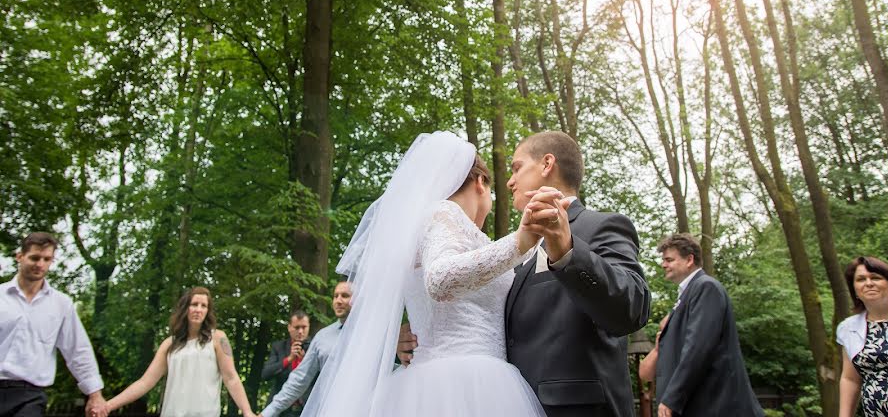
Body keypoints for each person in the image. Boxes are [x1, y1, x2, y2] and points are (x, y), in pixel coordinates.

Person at [400, 130, 650, 416]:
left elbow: (632, 308)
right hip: (494, 400)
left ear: (546, 164)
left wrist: (568, 251)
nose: (508, 181)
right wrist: (419, 337)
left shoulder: (601, 227)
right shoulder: (518, 246)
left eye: (517, 167)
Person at [298, 131, 546, 417]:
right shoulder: (444, 213)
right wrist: (520, 242)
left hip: (444, 376)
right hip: (464, 381)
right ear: (480, 183)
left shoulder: (428, 227)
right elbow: (440, 279)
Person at [654, 234, 763, 417]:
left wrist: (672, 397)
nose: (663, 265)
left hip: (717, 406)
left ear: (689, 259)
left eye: (669, 260)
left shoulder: (706, 288)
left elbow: (698, 347)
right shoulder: (689, 293)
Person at [0, 232, 107, 417]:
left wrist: (95, 395)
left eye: (46, 259)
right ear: (20, 256)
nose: (40, 264)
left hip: (30, 396)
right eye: (34, 258)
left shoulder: (61, 304)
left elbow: (77, 350)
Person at [103, 287, 254, 417]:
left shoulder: (218, 338)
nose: (199, 310)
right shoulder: (169, 344)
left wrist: (247, 412)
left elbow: (231, 377)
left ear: (208, 311)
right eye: (194, 304)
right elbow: (145, 382)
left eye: (204, 306)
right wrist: (107, 406)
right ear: (185, 308)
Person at [259, 282, 352, 417]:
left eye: (344, 296)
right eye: (335, 296)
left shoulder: (374, 334)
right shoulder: (322, 338)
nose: (338, 300)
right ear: (289, 327)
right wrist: (267, 413)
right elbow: (299, 379)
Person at [836, 256, 888, 417]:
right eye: (861, 279)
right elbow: (850, 379)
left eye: (876, 278)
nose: (869, 283)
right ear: (855, 290)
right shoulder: (848, 328)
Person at [261, 310, 311, 414]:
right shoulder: (279, 347)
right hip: (281, 409)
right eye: (297, 327)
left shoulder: (315, 348)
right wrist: (288, 359)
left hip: (307, 407)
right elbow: (266, 374)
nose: (300, 331)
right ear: (289, 327)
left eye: (304, 327)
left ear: (308, 326)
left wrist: (305, 361)